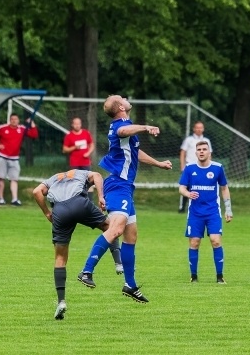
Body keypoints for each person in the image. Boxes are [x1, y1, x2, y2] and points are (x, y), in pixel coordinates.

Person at [77, 95, 172, 303]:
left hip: (126, 187)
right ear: (121, 107)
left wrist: (158, 164)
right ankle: (86, 271)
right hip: (117, 184)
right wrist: (146, 127)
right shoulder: (119, 126)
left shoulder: (127, 127)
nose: (127, 99)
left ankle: (130, 285)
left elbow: (135, 153)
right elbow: (122, 131)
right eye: (123, 99)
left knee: (131, 236)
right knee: (116, 229)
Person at [32, 169, 123, 320]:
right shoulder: (80, 173)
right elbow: (98, 176)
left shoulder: (53, 179)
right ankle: (118, 263)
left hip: (59, 211)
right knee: (110, 227)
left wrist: (47, 213)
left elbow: (36, 192)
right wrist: (101, 196)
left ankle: (61, 302)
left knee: (60, 258)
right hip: (79, 203)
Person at [178, 140, 232, 284]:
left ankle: (220, 276)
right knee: (194, 243)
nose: (201, 151)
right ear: (196, 153)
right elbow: (181, 188)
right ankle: (193, 276)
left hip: (213, 212)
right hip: (195, 213)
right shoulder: (189, 169)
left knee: (215, 241)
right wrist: (188, 194)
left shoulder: (217, 168)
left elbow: (224, 188)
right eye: (199, 149)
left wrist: (228, 209)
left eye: (204, 149)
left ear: (209, 152)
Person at [0, 114, 39, 206]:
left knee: (14, 179)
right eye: (12, 119)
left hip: (14, 158)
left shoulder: (22, 129)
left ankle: (14, 199)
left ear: (18, 120)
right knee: (1, 178)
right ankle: (1, 199)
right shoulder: (3, 128)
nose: (14, 121)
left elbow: (34, 134)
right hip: (2, 156)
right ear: (9, 120)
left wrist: (32, 124)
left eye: (16, 119)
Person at [178, 121, 211, 213]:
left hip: (202, 168)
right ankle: (182, 207)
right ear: (194, 129)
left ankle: (202, 206)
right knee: (185, 187)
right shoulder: (189, 140)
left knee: (203, 187)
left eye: (201, 127)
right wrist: (182, 166)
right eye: (197, 127)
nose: (199, 129)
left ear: (203, 129)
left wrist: (209, 166)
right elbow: (182, 153)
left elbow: (209, 154)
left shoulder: (206, 141)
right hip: (190, 167)